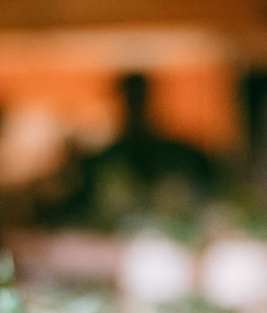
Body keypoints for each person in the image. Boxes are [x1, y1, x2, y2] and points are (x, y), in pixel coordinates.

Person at [63, 72, 218, 229]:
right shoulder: (110, 157)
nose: (134, 105)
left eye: (137, 98)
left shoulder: (173, 152)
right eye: (131, 99)